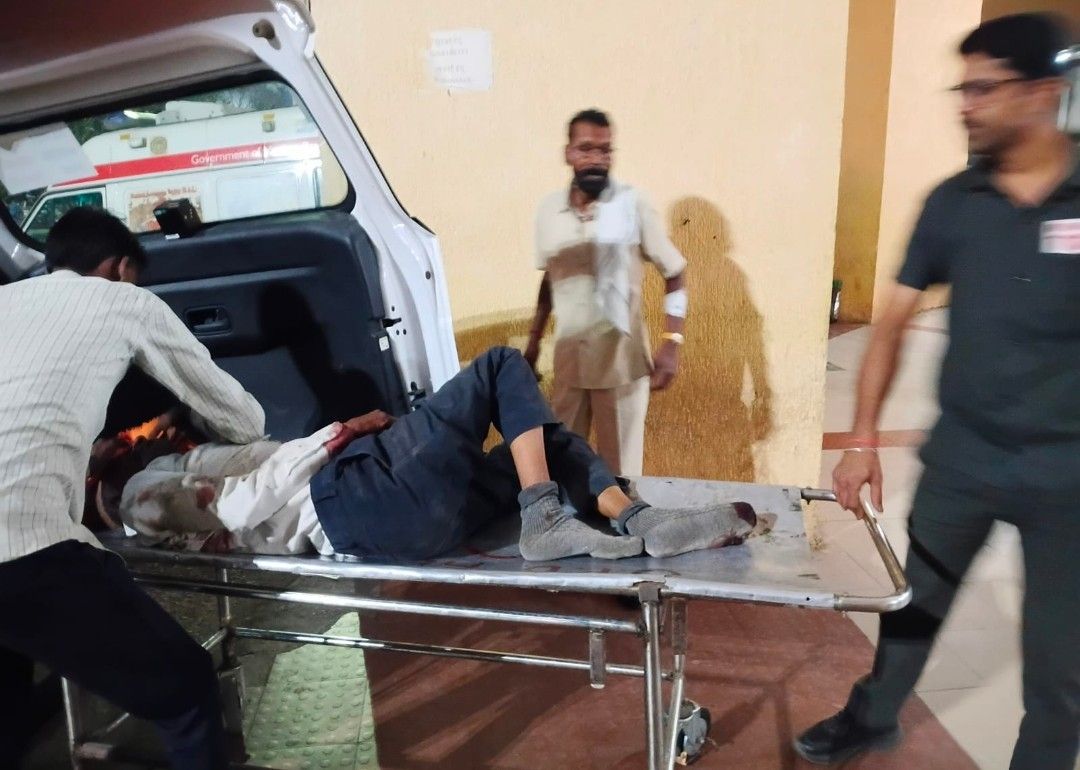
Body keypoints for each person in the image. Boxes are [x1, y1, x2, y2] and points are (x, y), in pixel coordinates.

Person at [794, 14, 1080, 769]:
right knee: (911, 604)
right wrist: (861, 440)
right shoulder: (954, 200)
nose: (966, 105)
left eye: (984, 89)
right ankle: (872, 717)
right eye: (964, 89)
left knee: (1062, 659)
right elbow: (890, 323)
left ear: (1042, 92)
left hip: (1070, 474)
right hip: (965, 457)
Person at [0, 207, 266, 770]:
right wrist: (189, 422)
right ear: (120, 268)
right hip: (24, 549)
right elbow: (244, 421)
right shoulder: (127, 302)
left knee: (13, 702)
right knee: (186, 686)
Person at [93, 347, 758, 562]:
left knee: (548, 441)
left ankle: (639, 519)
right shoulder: (140, 495)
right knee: (502, 366)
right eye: (131, 435)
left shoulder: (158, 486)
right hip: (356, 497)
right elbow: (239, 507)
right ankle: (544, 514)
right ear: (107, 464)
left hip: (399, 521)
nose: (149, 432)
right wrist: (341, 431)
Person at [525, 109, 688, 477]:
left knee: (620, 477)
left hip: (622, 367)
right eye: (586, 149)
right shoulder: (549, 211)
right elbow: (551, 278)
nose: (597, 159)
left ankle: (621, 517)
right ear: (568, 153)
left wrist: (671, 344)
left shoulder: (633, 205)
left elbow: (675, 272)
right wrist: (533, 343)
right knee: (562, 468)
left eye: (605, 150)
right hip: (569, 365)